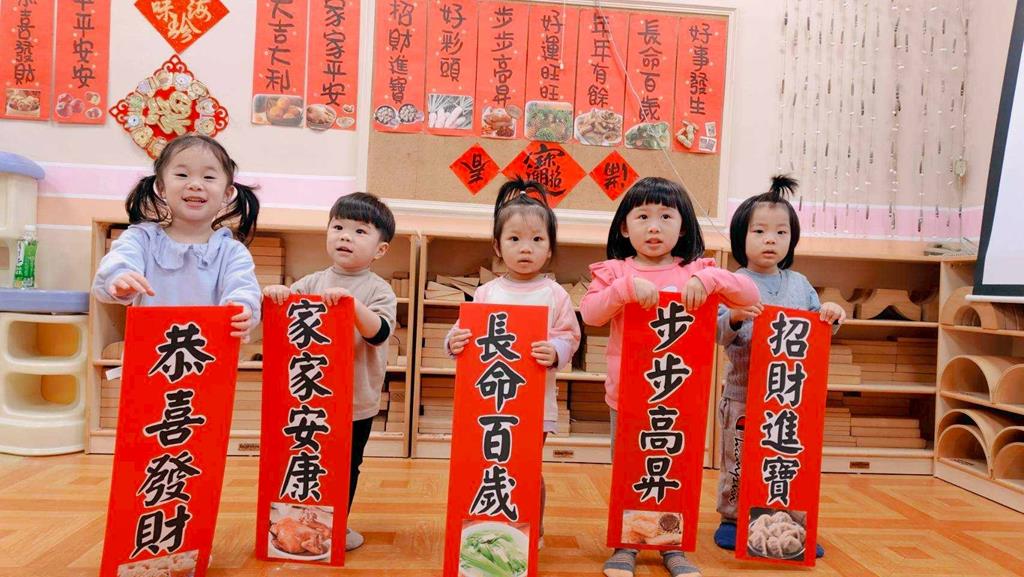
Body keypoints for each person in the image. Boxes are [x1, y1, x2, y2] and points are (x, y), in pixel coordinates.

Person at [579, 177, 760, 577]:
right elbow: (591, 314)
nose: (654, 227)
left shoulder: (696, 271)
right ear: (624, 227)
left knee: (675, 472)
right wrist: (625, 289)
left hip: (680, 398)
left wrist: (709, 280)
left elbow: (749, 295)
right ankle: (625, 545)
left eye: (665, 217)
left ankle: (671, 545)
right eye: (642, 216)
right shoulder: (615, 272)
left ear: (683, 227)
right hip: (628, 398)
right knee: (630, 471)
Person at [713, 175, 845, 558]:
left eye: (780, 232)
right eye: (759, 231)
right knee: (738, 460)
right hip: (743, 394)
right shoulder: (732, 282)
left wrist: (831, 314)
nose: (770, 239)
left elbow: (819, 327)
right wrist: (735, 316)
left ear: (792, 239)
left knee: (786, 459)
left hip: (790, 397)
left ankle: (788, 522)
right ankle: (732, 519)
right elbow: (717, 332)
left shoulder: (800, 284)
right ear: (741, 237)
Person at [446, 177, 581, 550]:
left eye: (537, 239)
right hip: (490, 404)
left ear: (549, 249)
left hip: (533, 405)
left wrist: (556, 350)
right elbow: (462, 331)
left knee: (526, 466)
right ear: (497, 245)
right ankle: (488, 524)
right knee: (489, 464)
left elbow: (570, 336)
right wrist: (453, 342)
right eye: (515, 239)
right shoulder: (486, 292)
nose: (526, 248)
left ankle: (531, 528)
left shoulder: (554, 294)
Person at [263, 192, 398, 552]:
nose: (345, 236)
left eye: (359, 231)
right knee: (306, 458)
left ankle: (337, 523)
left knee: (345, 465)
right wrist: (278, 293)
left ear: (380, 249)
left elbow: (380, 333)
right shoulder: (311, 282)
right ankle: (299, 524)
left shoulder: (379, 289)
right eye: (338, 227)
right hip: (310, 398)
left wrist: (352, 306)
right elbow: (284, 316)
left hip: (354, 402)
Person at [92, 133, 261, 340]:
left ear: (227, 194)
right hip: (150, 352)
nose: (195, 185)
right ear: (161, 188)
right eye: (182, 175)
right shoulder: (141, 239)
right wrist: (119, 279)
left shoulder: (232, 252)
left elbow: (244, 289)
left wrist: (243, 309)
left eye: (208, 177)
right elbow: (117, 266)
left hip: (208, 353)